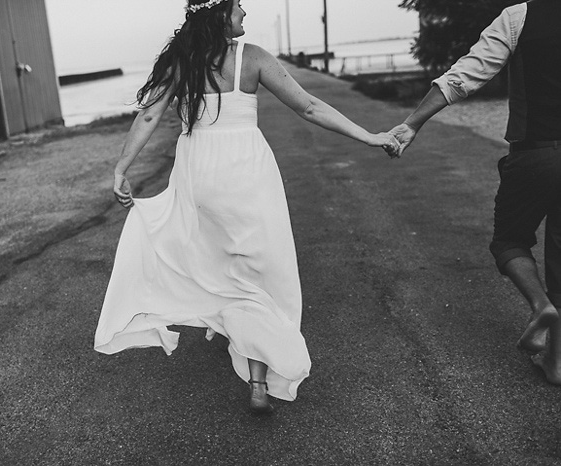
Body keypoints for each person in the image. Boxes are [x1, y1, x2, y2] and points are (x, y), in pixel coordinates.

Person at [94, 0, 400, 414]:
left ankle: (231, 330)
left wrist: (121, 168)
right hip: (246, 172)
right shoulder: (251, 58)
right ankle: (258, 382)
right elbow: (308, 106)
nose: (244, 14)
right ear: (220, 13)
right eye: (239, 7)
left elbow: (149, 116)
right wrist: (367, 135)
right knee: (258, 274)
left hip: (199, 172)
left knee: (219, 262)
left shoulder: (183, 61)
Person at [389, 0, 561, 384]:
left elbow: (463, 76)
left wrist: (412, 123)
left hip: (536, 154)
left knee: (510, 241)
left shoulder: (520, 17)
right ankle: (556, 362)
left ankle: (540, 303)